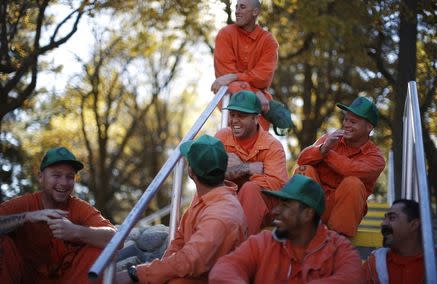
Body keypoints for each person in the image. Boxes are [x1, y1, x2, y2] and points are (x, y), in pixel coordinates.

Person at [115, 134, 247, 284]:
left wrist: (137, 273)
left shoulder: (220, 215)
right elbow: (179, 239)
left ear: (191, 172)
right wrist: (159, 271)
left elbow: (190, 260)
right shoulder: (205, 195)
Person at [209, 174, 364, 283]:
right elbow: (224, 269)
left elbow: (353, 277)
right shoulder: (262, 242)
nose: (276, 211)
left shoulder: (340, 248)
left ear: (307, 214)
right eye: (278, 204)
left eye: (285, 205)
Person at [0, 146, 116, 284]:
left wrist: (75, 231)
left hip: (69, 280)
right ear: (40, 177)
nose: (64, 183)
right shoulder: (23, 204)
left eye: (70, 177)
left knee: (99, 248)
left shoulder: (79, 207)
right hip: (24, 278)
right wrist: (27, 217)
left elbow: (116, 238)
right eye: (56, 175)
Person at [295, 96, 386, 237]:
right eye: (346, 120)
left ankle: (337, 243)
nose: (347, 125)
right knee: (304, 170)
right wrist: (323, 148)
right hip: (316, 207)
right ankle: (301, 229)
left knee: (353, 183)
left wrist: (326, 152)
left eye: (353, 121)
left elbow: (349, 169)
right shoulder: (330, 140)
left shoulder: (376, 158)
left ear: (369, 127)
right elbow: (301, 160)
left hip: (344, 214)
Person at [215, 90, 288, 235]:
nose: (234, 120)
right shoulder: (223, 136)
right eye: (232, 114)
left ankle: (240, 250)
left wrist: (241, 170)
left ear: (256, 119)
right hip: (232, 203)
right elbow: (205, 170)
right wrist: (246, 168)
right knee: (212, 187)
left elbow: (277, 186)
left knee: (250, 189)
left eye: (241, 115)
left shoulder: (273, 145)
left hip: (265, 209)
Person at [211, 0, 279, 129]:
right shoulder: (225, 34)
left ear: (255, 12)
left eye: (242, 7)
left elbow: (263, 78)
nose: (237, 11)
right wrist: (256, 92)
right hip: (232, 104)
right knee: (234, 88)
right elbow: (225, 73)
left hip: (260, 109)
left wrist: (235, 77)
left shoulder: (269, 42)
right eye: (236, 7)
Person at [363, 199, 437, 283]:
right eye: (385, 218)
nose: (383, 223)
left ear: (413, 225)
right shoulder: (373, 265)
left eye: (392, 218)